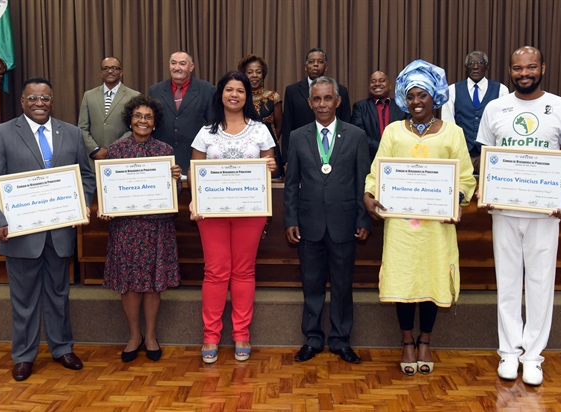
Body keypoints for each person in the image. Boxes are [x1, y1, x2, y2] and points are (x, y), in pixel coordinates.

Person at [476, 46, 561, 386]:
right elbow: (485, 156)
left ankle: (533, 357)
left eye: (531, 67)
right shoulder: (496, 107)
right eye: (518, 68)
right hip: (504, 210)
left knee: (540, 284)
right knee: (507, 283)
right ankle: (508, 353)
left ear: (543, 68)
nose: (525, 73)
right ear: (510, 70)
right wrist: (486, 189)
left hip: (544, 211)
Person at [363, 60, 476, 376]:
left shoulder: (452, 133)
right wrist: (369, 195)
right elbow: (377, 170)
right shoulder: (393, 131)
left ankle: (425, 340)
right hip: (401, 227)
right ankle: (406, 341)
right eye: (410, 96)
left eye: (422, 95)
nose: (416, 102)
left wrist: (454, 201)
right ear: (403, 98)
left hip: (436, 227)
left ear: (435, 97)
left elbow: (465, 178)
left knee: (430, 279)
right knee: (404, 280)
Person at [0, 77, 96, 381]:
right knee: (24, 298)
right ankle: (24, 355)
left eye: (45, 98)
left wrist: (80, 203)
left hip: (59, 233)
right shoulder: (1, 133)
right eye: (33, 98)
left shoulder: (70, 133)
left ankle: (61, 348)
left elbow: (85, 175)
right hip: (20, 234)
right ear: (22, 102)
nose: (39, 103)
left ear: (52, 100)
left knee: (59, 294)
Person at [189, 71, 277, 364]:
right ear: (221, 95)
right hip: (212, 213)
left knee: (243, 271)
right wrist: (194, 201)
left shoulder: (261, 131)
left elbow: (270, 168)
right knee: (215, 271)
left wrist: (271, 167)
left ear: (247, 96)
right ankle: (210, 336)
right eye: (229, 90)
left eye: (240, 90)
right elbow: (194, 173)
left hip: (250, 212)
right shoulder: (205, 133)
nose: (235, 95)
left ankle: (242, 334)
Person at [284, 76, 371, 364]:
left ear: (338, 100)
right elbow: (291, 182)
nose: (322, 104)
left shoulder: (356, 135)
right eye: (317, 99)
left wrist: (363, 219)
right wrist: (290, 219)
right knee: (311, 284)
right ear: (309, 103)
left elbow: (363, 182)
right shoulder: (297, 136)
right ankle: (312, 338)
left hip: (344, 223)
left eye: (327, 98)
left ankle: (341, 340)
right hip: (308, 224)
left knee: (343, 285)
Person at [100, 95, 183, 363]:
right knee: (129, 286)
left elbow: (174, 192)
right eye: (138, 116)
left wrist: (175, 180)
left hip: (157, 227)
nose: (142, 121)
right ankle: (133, 335)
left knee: (153, 285)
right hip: (126, 227)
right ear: (130, 120)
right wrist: (105, 205)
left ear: (155, 122)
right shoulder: (116, 151)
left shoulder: (164, 150)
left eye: (148, 117)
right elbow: (106, 189)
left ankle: (150, 335)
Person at [282, 48, 351, 169]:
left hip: (334, 150)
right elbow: (287, 125)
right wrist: (287, 159)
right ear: (305, 66)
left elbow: (346, 122)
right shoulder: (292, 91)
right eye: (311, 61)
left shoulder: (341, 90)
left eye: (320, 61)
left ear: (326, 66)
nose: (315, 64)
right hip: (301, 150)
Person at [148, 51, 215, 176]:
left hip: (193, 159)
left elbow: (212, 125)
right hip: (162, 162)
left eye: (182, 64)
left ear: (191, 67)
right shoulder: (155, 91)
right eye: (173, 63)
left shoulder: (207, 90)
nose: (177, 67)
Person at [441, 50, 509, 171]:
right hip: (461, 154)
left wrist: (489, 153)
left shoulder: (501, 90)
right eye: (471, 63)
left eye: (480, 63)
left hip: (491, 157)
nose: (476, 67)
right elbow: (448, 126)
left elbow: (503, 127)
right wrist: (462, 153)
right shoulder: (452, 90)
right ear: (466, 67)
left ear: (487, 66)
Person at [78, 56, 141, 170]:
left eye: (114, 68)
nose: (110, 71)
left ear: (121, 72)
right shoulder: (89, 95)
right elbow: (82, 128)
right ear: (101, 73)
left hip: (122, 158)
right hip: (94, 161)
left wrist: (113, 150)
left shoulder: (134, 96)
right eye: (106, 68)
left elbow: (134, 128)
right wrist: (95, 150)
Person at [238, 54, 284, 177]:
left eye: (258, 72)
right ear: (244, 75)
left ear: (263, 74)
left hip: (269, 149)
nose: (254, 76)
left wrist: (269, 143)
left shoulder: (273, 97)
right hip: (245, 149)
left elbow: (279, 126)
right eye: (250, 72)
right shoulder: (239, 97)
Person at [351, 70, 409, 161]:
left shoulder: (402, 107)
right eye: (373, 82)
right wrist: (383, 149)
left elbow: (409, 132)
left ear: (389, 85)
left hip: (398, 159)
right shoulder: (360, 107)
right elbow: (359, 134)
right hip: (369, 159)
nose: (377, 84)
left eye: (381, 80)